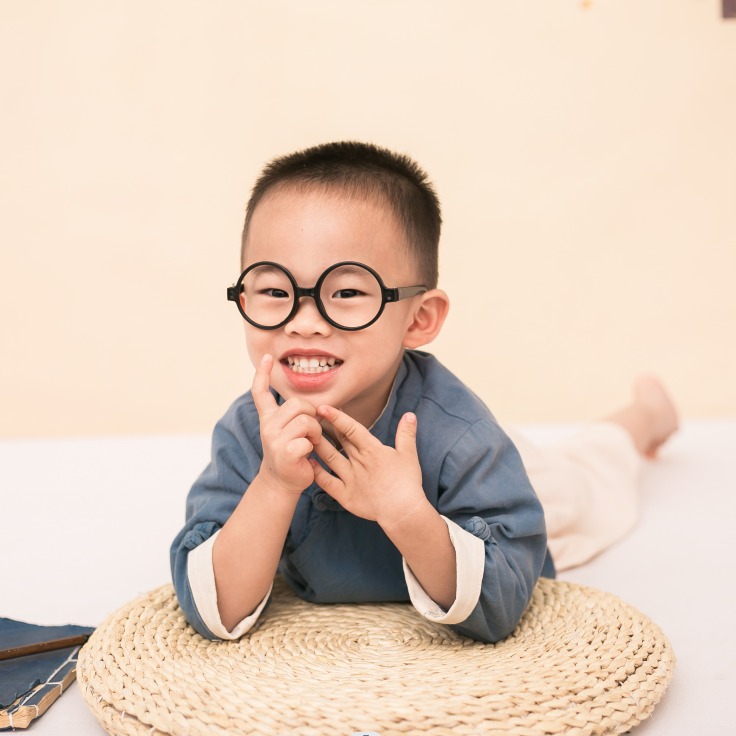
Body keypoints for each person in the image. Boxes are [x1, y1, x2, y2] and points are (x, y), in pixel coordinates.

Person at [170, 141, 678, 644]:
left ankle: (645, 415)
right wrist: (274, 485)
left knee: (584, 477)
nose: (304, 323)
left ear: (419, 319)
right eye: (275, 291)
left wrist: (405, 512)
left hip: (518, 476)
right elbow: (209, 603)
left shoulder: (462, 438)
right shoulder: (249, 431)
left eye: (346, 292)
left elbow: (503, 601)